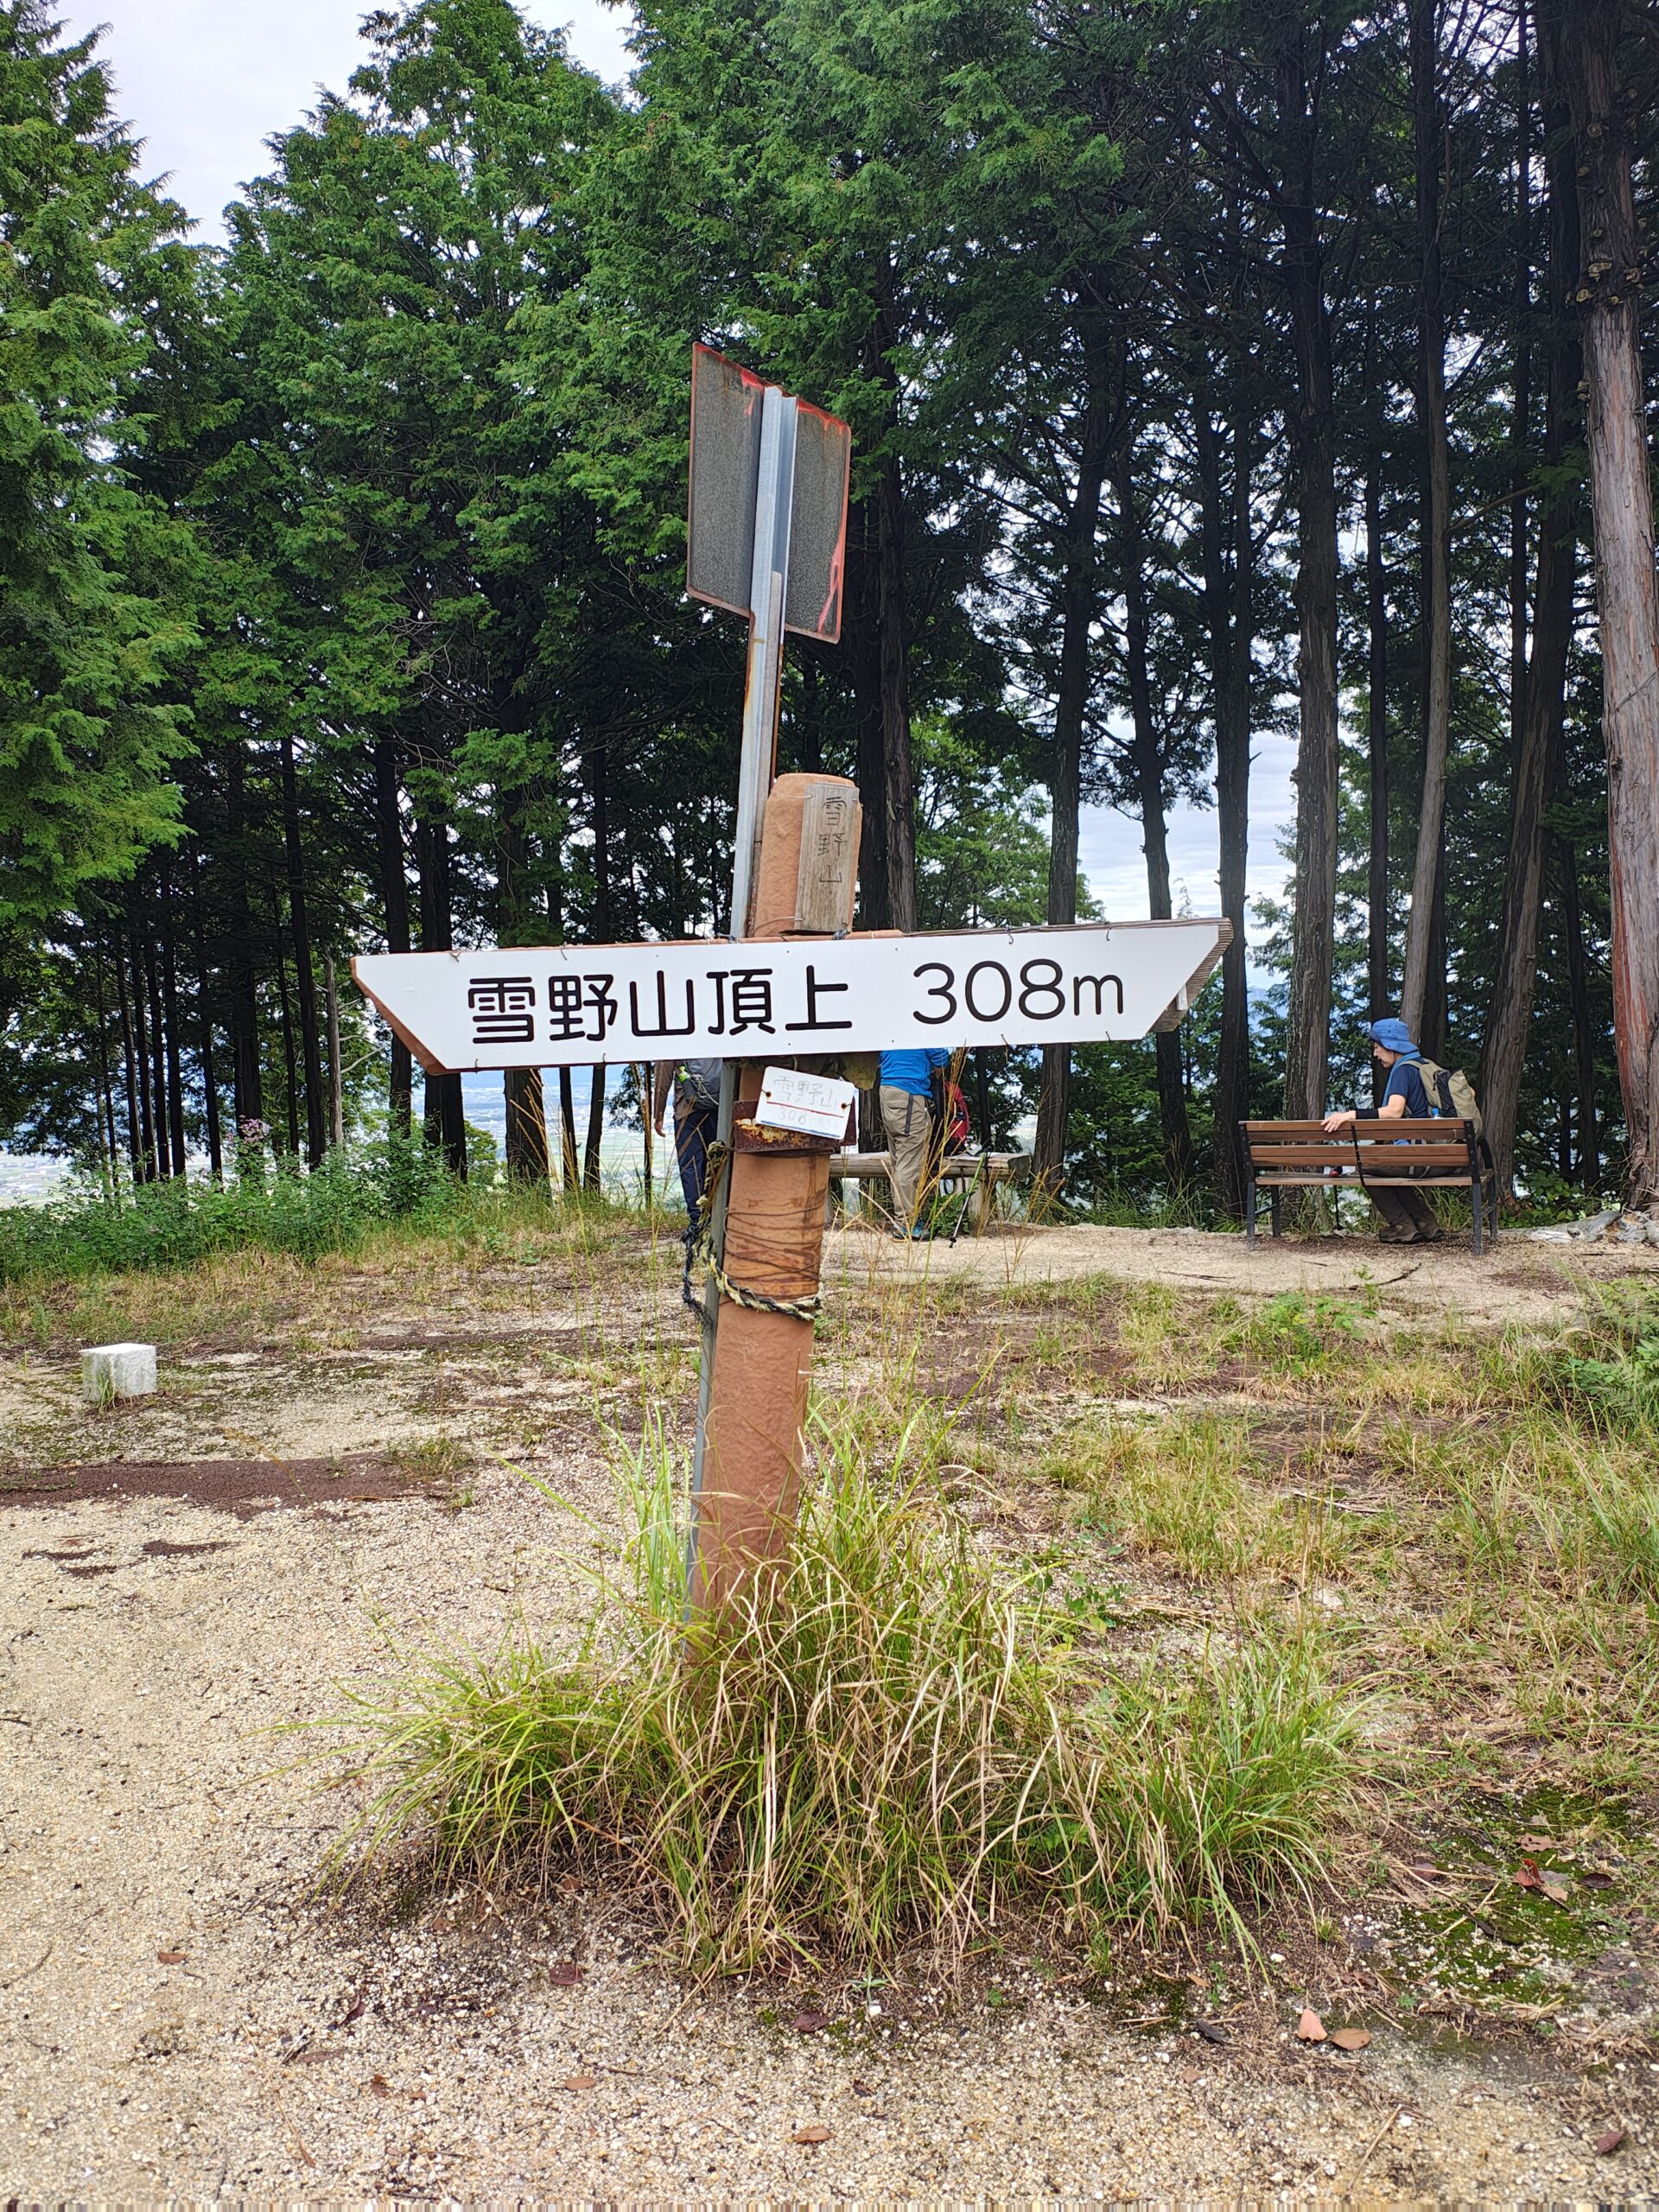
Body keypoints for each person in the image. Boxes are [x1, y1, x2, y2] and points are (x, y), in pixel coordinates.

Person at [1322, 1018, 1445, 1244]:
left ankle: (1402, 1225)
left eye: (1377, 1047)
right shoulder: (1428, 1066)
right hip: (1445, 1156)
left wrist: (1351, 1115)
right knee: (1385, 1166)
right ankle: (1426, 1223)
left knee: (1365, 1166)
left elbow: (1394, 1111)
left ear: (1391, 1045)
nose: (1375, 1054)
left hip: (1419, 1158)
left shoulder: (1403, 1071)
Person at [879, 1047, 948, 1237]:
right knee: (909, 1161)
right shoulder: (922, 1027)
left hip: (887, 1090)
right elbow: (941, 1058)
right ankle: (906, 1224)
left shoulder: (894, 1029)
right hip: (909, 1093)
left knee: (899, 1159)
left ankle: (904, 1219)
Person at [652, 1058, 722, 1221]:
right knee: (716, 1160)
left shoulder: (677, 1034)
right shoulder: (721, 1032)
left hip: (687, 1107)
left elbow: (664, 1071)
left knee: (690, 1165)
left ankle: (697, 1220)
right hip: (720, 1103)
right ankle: (716, 1214)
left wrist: (659, 1115)